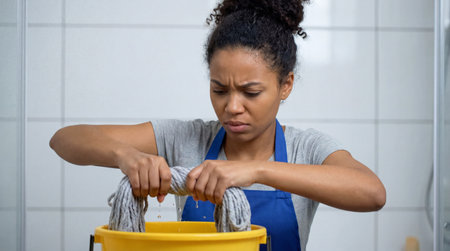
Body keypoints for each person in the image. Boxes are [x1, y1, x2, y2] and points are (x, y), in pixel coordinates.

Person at [50, 0, 386, 250]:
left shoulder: (305, 149)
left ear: (286, 85)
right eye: (219, 90)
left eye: (251, 92)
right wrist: (126, 155)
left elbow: (372, 193)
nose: (232, 107)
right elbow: (64, 139)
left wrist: (255, 171)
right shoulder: (186, 139)